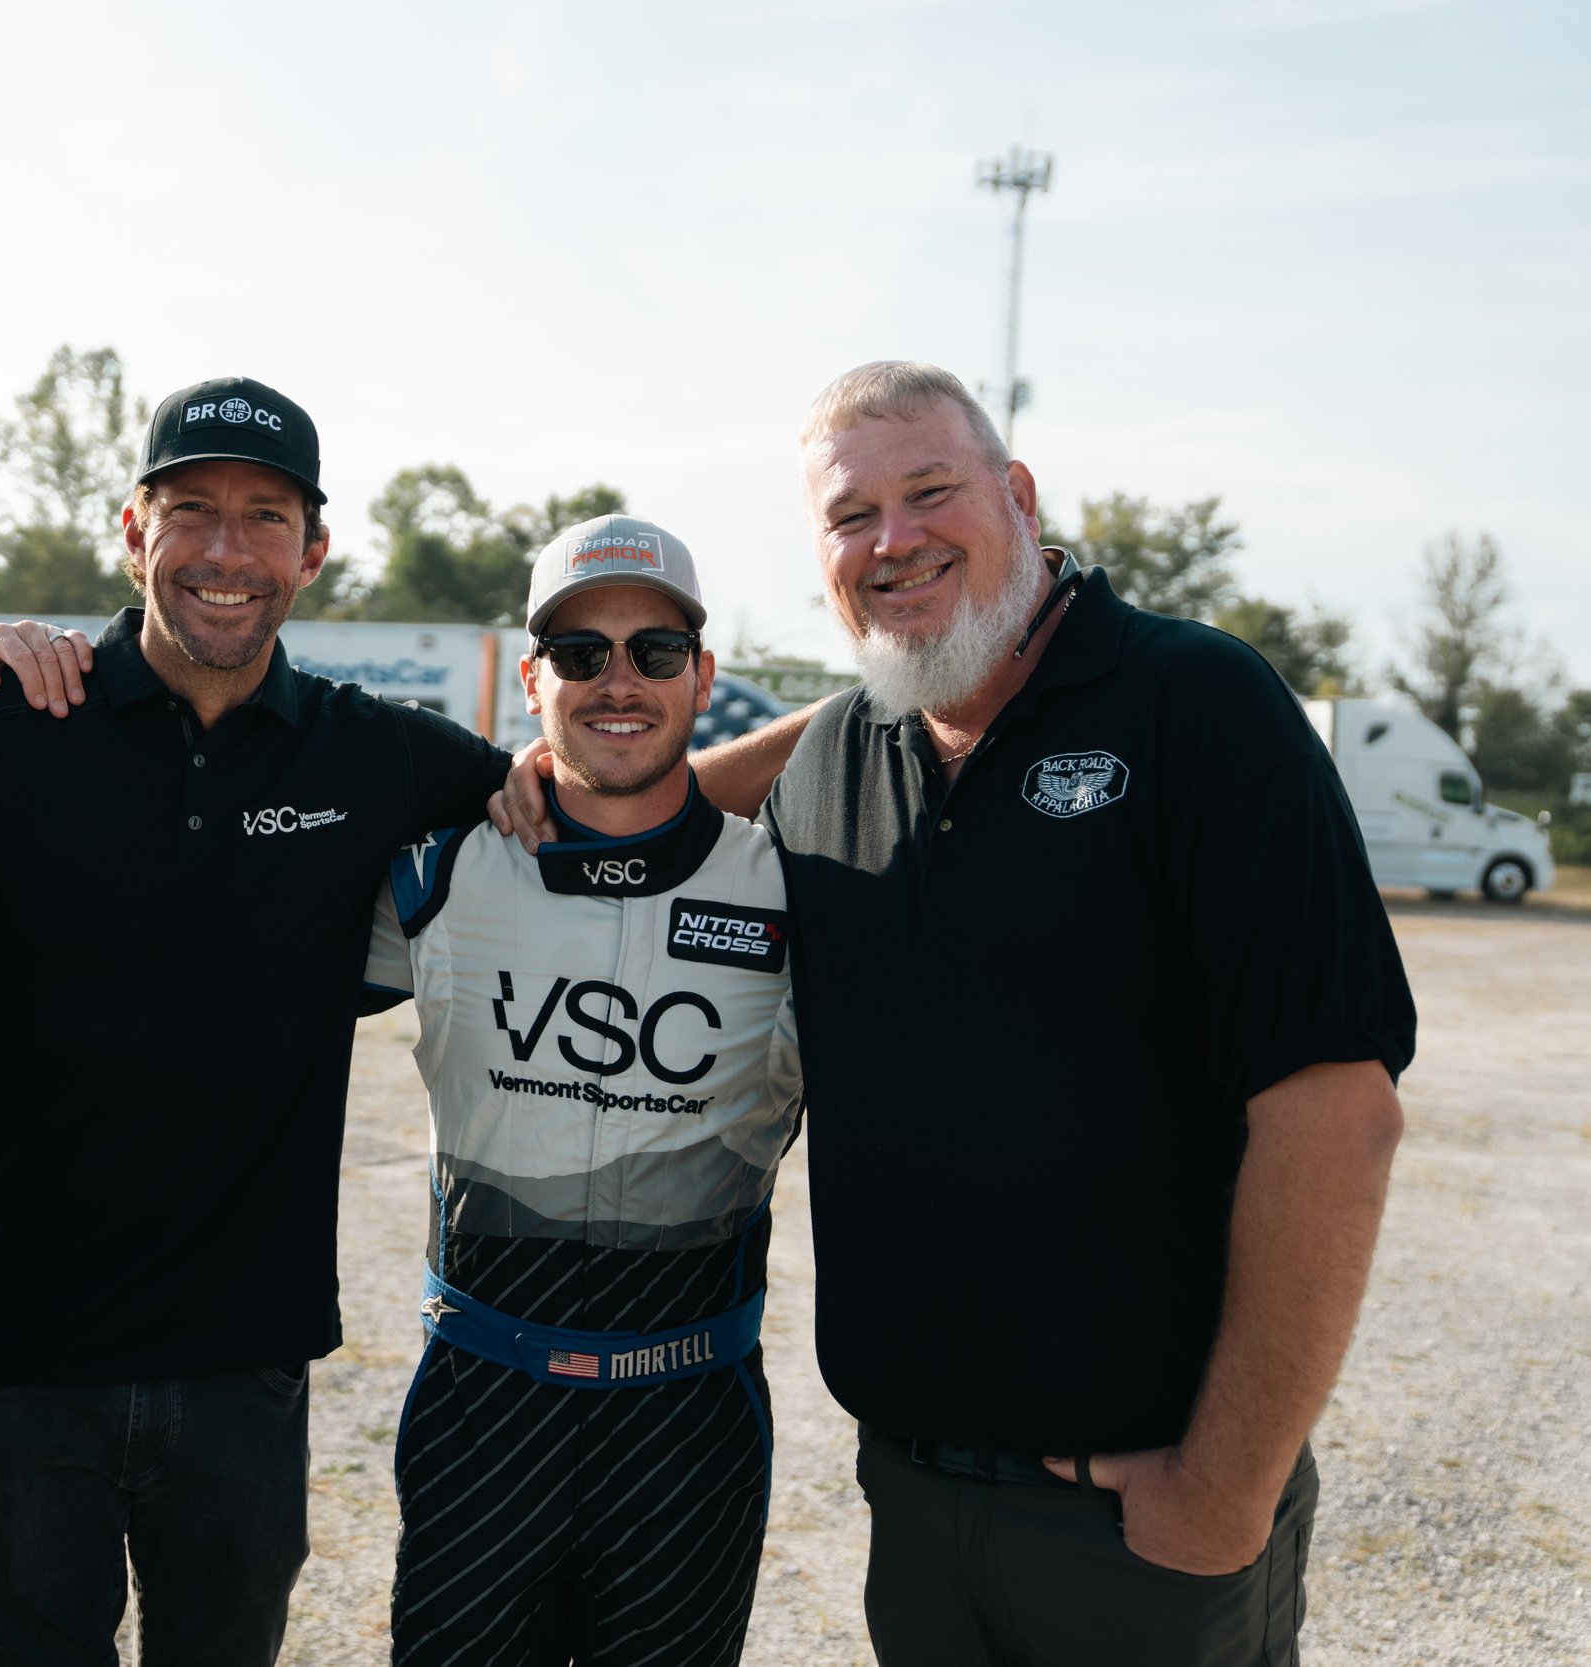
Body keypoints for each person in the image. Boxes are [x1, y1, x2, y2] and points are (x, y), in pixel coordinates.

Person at [504, 362, 1414, 1666]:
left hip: (1140, 1525)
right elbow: (696, 814)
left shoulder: (1197, 707)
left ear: (1019, 496)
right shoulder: (835, 758)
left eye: (930, 491)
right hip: (915, 1509)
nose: (894, 540)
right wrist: (572, 772)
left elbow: (1341, 1119)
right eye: (849, 516)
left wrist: (1223, 1487)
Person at [0, 375, 512, 1666]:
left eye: (265, 516)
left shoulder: (378, 755)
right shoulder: (6, 735)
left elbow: (602, 801)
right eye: (193, 510)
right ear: (133, 530)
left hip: (242, 1350)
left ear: (313, 551)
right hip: (19, 1347)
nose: (227, 549)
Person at [362, 515, 804, 1665]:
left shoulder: (797, 893)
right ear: (530, 679)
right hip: (481, 1402)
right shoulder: (440, 867)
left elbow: (894, 718)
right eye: (579, 653)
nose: (620, 680)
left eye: (655, 651)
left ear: (703, 676)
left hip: (689, 1418)